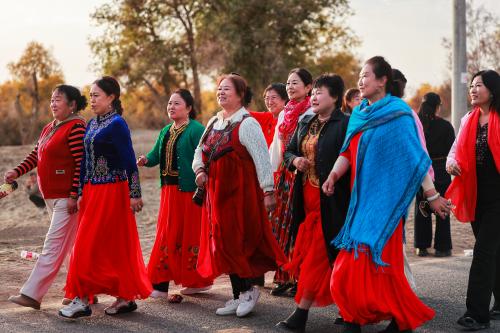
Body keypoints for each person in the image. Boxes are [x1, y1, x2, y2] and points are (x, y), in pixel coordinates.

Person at [323, 56, 448, 333]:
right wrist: (333, 174)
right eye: (360, 75)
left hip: (387, 205)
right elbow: (347, 151)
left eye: (366, 75)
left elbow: (415, 158)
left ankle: (391, 319)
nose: (360, 80)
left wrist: (432, 195)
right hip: (361, 202)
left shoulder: (399, 114)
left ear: (382, 81)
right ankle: (361, 318)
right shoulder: (360, 114)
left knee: (377, 268)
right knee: (347, 269)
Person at [192, 73, 286, 317]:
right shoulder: (214, 122)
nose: (221, 93)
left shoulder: (248, 123)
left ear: (241, 94)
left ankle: (250, 291)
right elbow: (199, 151)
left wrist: (268, 190)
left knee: (243, 241)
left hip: (241, 196)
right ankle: (236, 295)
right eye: (219, 89)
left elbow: (262, 159)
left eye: (227, 89)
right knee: (224, 244)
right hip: (217, 197)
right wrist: (200, 169)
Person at [59, 76, 152, 318]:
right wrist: (80, 192)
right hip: (92, 193)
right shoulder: (91, 124)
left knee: (97, 246)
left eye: (96, 95)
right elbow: (85, 162)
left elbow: (129, 160)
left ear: (111, 98)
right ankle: (122, 297)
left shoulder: (117, 124)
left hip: (113, 191)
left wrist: (135, 194)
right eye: (90, 95)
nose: (91, 100)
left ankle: (83, 300)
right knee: (96, 245)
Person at [276, 74, 350, 332]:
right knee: (319, 256)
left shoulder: (345, 125)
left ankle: (301, 313)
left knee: (318, 257)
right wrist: (295, 161)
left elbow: (350, 160)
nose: (315, 97)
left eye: (321, 92)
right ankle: (349, 307)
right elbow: (288, 151)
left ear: (335, 97)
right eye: (314, 92)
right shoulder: (305, 120)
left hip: (330, 202)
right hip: (304, 199)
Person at [3, 85, 86, 310]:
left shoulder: (76, 127)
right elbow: (35, 155)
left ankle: (32, 294)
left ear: (72, 105)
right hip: (51, 197)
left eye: (58, 100)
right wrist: (16, 172)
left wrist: (73, 194)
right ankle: (82, 291)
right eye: (51, 100)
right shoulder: (49, 127)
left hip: (66, 199)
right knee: (69, 247)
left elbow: (80, 162)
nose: (53, 103)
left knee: (53, 245)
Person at [137, 89, 212, 302]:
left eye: (176, 103)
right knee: (167, 233)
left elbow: (206, 155)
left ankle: (197, 281)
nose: (171, 107)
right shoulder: (166, 130)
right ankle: (163, 283)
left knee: (189, 234)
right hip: (169, 191)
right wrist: (145, 160)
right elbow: (155, 155)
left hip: (189, 192)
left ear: (188, 108)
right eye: (169, 103)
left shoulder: (197, 129)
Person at [446, 70, 500, 331]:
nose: (474, 89)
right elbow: (453, 152)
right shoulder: (468, 119)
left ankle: (477, 314)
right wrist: (452, 165)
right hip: (476, 194)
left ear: (493, 90)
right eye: (473, 86)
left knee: (483, 252)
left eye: (480, 85)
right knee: (492, 251)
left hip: (499, 196)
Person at [268, 68, 314, 296]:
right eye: (288, 83)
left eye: (295, 83)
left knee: (299, 227)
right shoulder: (285, 112)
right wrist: (269, 177)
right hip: (284, 176)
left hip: (305, 176)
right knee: (280, 227)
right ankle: (284, 275)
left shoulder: (312, 111)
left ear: (308, 87)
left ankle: (301, 276)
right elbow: (276, 148)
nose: (290, 86)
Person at [414, 92, 455, 257]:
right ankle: (442, 247)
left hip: (422, 170)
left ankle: (421, 246)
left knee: (422, 208)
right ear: (437, 106)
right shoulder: (445, 126)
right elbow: (452, 150)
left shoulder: (416, 124)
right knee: (443, 208)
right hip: (441, 169)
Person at [251, 83, 289, 147]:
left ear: (285, 99)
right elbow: (242, 114)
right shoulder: (266, 117)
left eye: (273, 97)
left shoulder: (290, 119)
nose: (270, 102)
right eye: (267, 98)